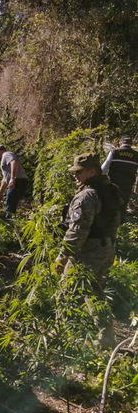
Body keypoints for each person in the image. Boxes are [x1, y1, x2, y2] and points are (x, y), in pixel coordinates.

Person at [54, 153, 122, 347]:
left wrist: (63, 256)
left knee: (66, 292)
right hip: (106, 248)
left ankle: (61, 335)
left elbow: (77, 231)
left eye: (79, 172)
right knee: (95, 292)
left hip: (87, 252)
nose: (75, 176)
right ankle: (106, 335)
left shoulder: (87, 195)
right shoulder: (111, 189)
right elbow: (116, 220)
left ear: (92, 171)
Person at [101, 136, 138, 221]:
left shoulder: (114, 152)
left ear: (120, 143)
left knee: (111, 202)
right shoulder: (136, 155)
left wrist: (99, 177)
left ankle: (109, 221)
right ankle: (120, 222)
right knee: (123, 202)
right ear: (131, 144)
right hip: (128, 184)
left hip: (113, 182)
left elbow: (105, 165)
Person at [0, 144, 29, 219]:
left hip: (19, 181)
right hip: (17, 181)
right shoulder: (4, 159)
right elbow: (5, 179)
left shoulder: (7, 154)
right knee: (11, 200)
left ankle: (9, 220)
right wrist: (0, 194)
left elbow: (14, 162)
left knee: (10, 199)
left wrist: (12, 179)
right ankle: (10, 219)